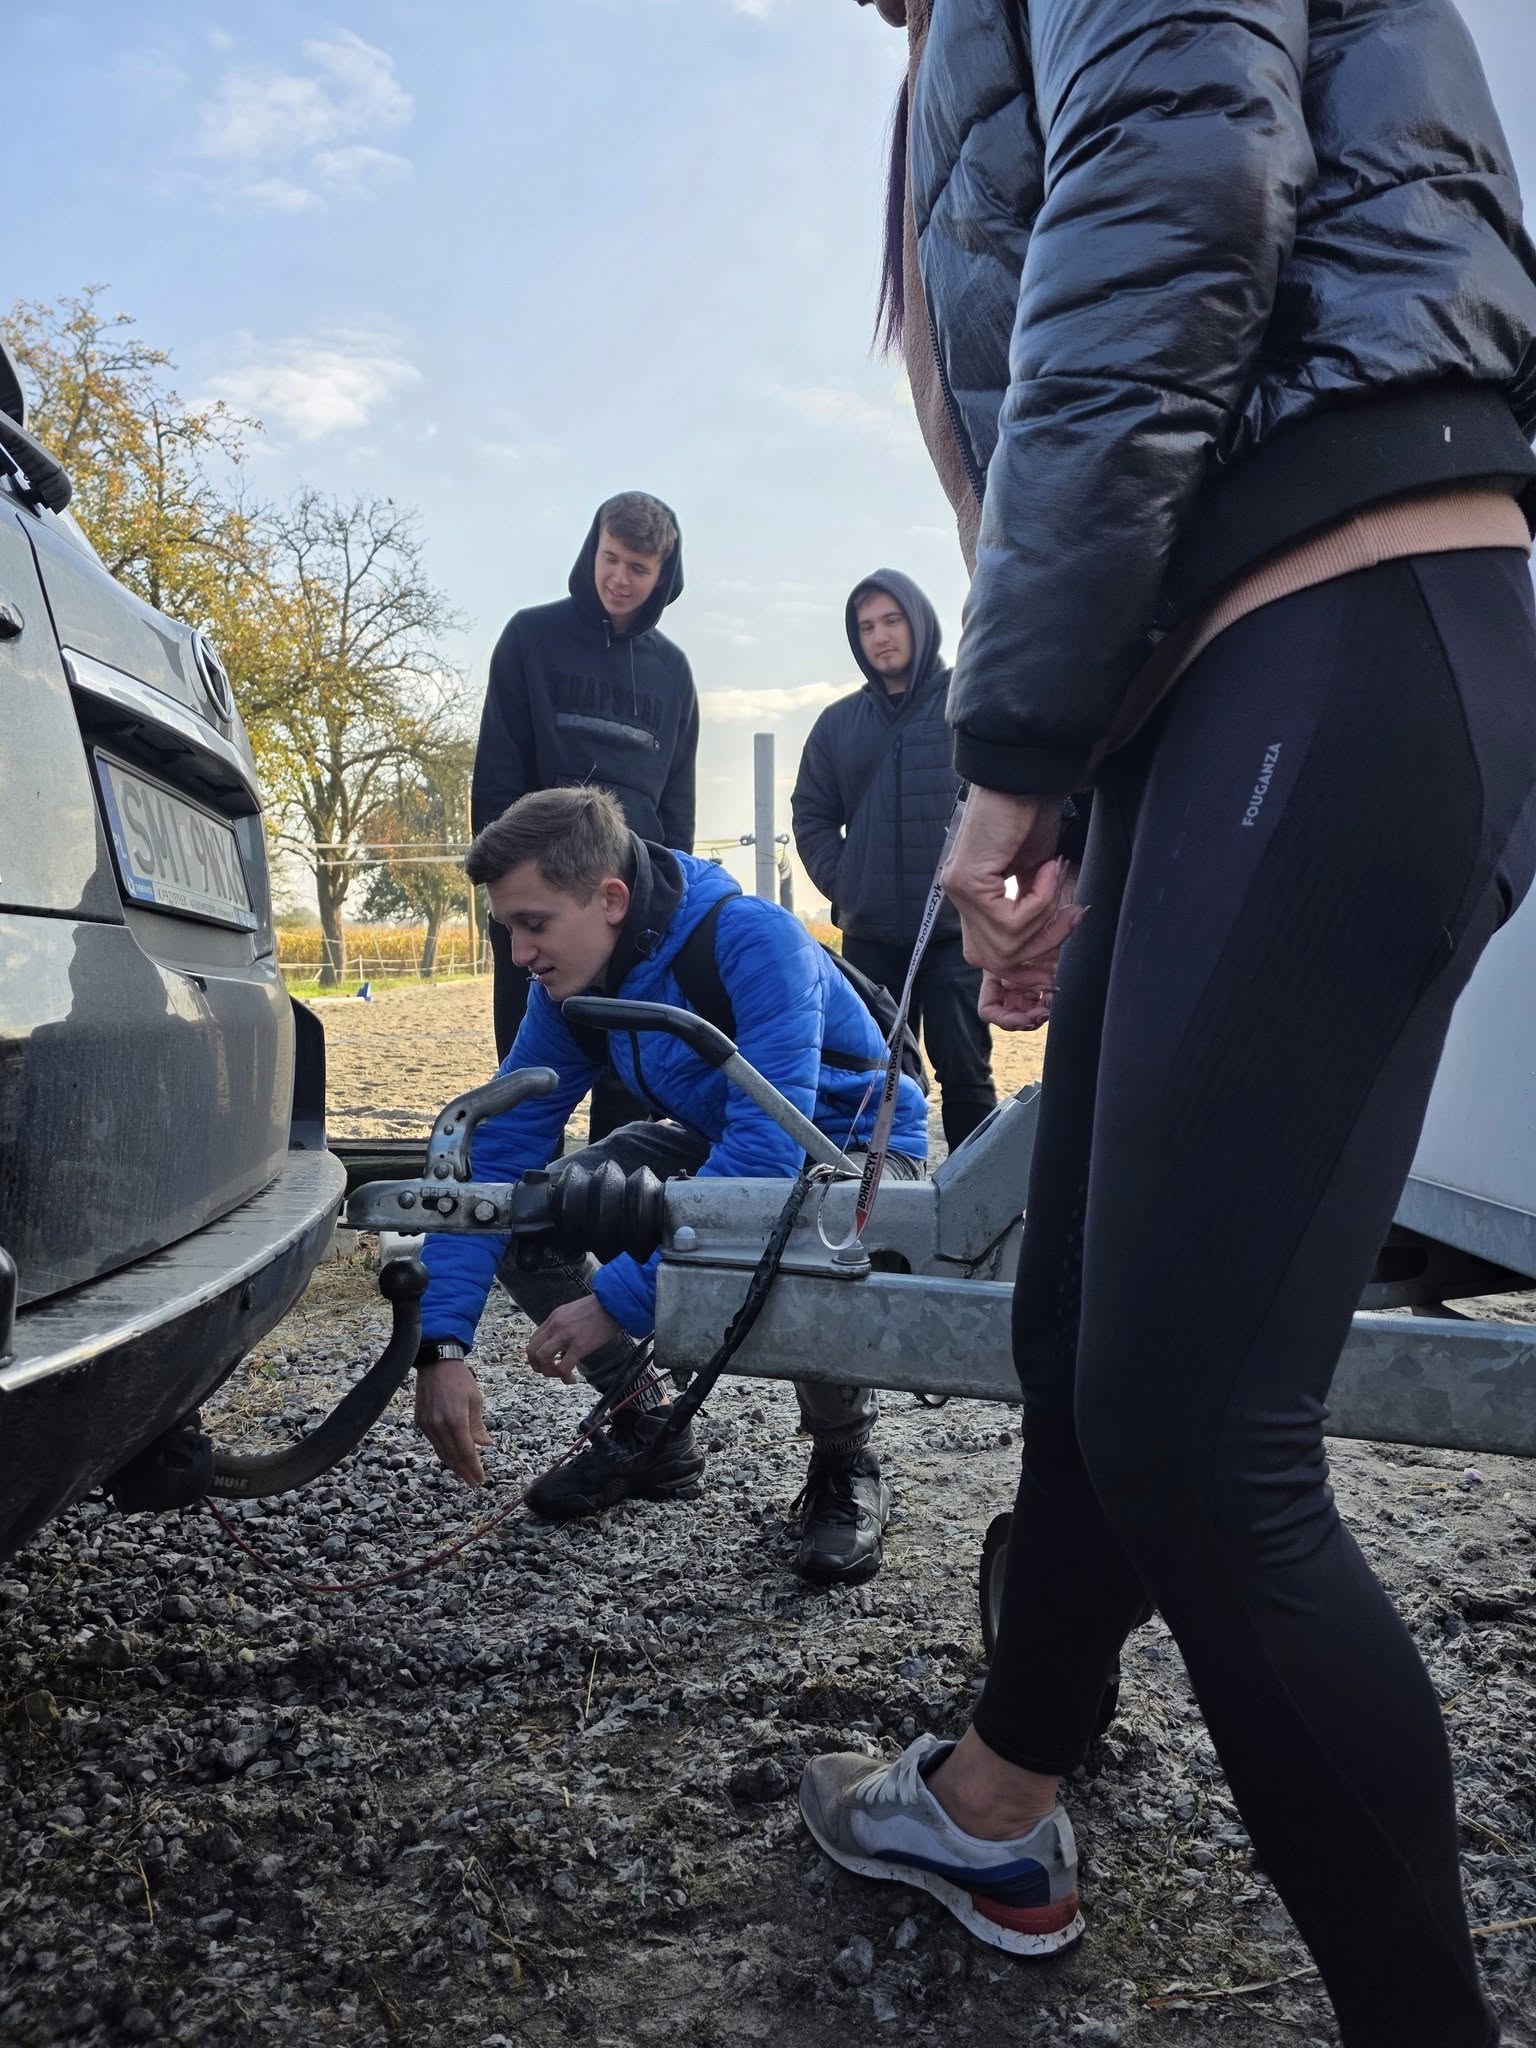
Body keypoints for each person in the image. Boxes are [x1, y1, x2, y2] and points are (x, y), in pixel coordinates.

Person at [804, 5, 1536, 2043]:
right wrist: (1093, 797)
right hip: (1231, 667)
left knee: (1198, 1434)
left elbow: (1179, 197)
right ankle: (1000, 1798)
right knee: (1080, 1342)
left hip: (1339, 615)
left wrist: (1016, 746)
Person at [412, 785, 929, 1585]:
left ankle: (844, 1462)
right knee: (536, 1208)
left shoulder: (753, 941)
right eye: (507, 928)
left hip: (853, 1148)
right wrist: (441, 1344)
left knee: (815, 1224)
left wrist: (616, 1301)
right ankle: (648, 1424)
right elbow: (499, 1155)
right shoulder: (569, 989)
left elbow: (768, 1164)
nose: (518, 954)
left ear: (611, 899)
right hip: (727, 1134)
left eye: (533, 923)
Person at [472, 491, 699, 1138]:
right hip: (539, 903)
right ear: (591, 550)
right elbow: (497, 774)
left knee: (632, 1085)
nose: (620, 579)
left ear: (664, 576)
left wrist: (670, 899)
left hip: (630, 910)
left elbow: (676, 802)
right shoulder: (529, 638)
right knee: (526, 1080)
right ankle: (517, 1199)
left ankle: (617, 1200)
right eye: (611, 558)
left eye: (639, 568)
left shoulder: (673, 672)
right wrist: (507, 902)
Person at [792, 571, 996, 1152]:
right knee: (875, 1080)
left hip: (957, 933)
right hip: (872, 939)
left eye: (891, 620)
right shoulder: (837, 724)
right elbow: (811, 814)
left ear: (918, 621)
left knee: (967, 1077)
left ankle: (976, 1203)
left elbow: (1004, 796)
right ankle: (881, 1202)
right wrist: (848, 884)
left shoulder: (968, 702)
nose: (880, 636)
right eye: (866, 627)